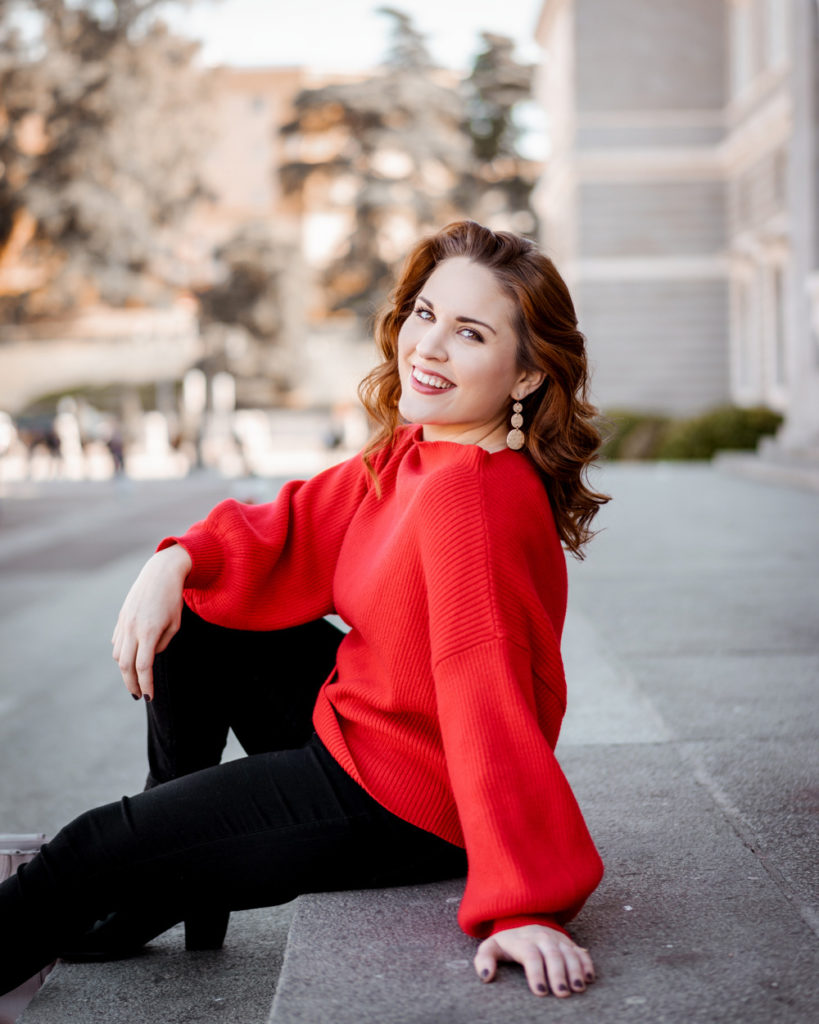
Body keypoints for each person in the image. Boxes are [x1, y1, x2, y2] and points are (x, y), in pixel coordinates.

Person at [0, 220, 609, 1002]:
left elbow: (487, 689)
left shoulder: (468, 497)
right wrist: (173, 560)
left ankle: (157, 871)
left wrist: (522, 903)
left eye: (469, 333)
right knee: (202, 610)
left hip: (406, 803)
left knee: (90, 848)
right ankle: (169, 878)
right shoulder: (420, 451)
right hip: (367, 725)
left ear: (525, 376)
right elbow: (292, 524)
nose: (426, 348)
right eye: (425, 315)